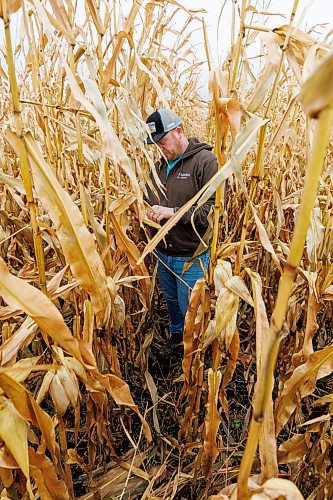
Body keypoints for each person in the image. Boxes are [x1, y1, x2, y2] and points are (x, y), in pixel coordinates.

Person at [145, 108, 218, 358]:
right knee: (174, 305)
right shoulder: (159, 167)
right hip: (163, 253)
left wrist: (172, 212)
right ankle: (177, 341)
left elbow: (210, 212)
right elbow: (149, 200)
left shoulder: (205, 162)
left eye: (163, 141)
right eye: (156, 144)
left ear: (179, 132)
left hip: (192, 256)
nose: (160, 148)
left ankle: (194, 357)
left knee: (192, 310)